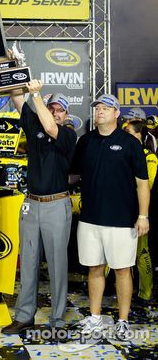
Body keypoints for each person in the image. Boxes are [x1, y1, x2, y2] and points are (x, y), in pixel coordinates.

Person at [71, 94, 150, 341]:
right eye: (98, 108)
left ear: (117, 114)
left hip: (122, 220)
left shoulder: (130, 143)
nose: (100, 112)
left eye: (106, 108)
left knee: (122, 270)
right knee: (94, 268)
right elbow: (72, 176)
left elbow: (142, 184)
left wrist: (143, 216)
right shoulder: (85, 141)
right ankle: (95, 318)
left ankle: (123, 320)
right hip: (90, 219)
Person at [2, 79, 77, 335]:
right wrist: (13, 73)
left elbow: (49, 125)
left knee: (57, 266)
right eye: (52, 108)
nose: (56, 113)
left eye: (61, 110)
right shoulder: (34, 124)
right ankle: (24, 316)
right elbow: (16, 97)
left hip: (57, 205)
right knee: (29, 263)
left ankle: (57, 321)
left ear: (67, 115)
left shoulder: (67, 134)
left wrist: (36, 95)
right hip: (31, 205)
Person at [124, 120, 158, 303]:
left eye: (129, 132)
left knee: (141, 252)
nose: (126, 135)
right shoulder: (123, 154)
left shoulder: (150, 157)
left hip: (140, 211)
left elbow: (148, 183)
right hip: (120, 208)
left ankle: (145, 292)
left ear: (139, 135)